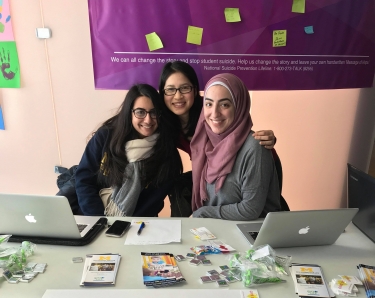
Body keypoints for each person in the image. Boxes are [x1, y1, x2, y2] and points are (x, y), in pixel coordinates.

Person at [75, 84, 182, 217]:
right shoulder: (105, 137)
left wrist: (121, 226)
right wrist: (99, 220)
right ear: (129, 112)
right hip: (93, 218)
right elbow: (84, 180)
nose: (148, 120)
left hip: (138, 227)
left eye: (154, 112)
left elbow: (151, 204)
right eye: (140, 112)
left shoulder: (168, 155)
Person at [190, 73, 281, 220]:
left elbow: (250, 209)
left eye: (225, 104)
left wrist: (203, 213)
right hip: (216, 233)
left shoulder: (255, 147)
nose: (215, 113)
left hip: (251, 236)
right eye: (209, 104)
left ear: (239, 106)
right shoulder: (205, 145)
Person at [158, 61, 276, 156]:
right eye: (170, 89)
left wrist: (267, 139)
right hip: (215, 173)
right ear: (162, 93)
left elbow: (240, 129)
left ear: (194, 90)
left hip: (253, 164)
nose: (178, 96)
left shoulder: (212, 110)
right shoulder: (165, 123)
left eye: (185, 88)